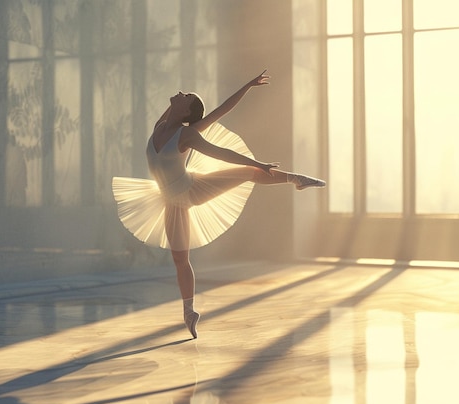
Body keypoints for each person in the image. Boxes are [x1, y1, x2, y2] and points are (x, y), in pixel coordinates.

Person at [112, 70, 325, 339]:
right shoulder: (160, 126)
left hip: (191, 190)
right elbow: (206, 111)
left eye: (185, 96)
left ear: (187, 110)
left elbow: (219, 140)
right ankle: (189, 312)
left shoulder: (187, 136)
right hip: (168, 199)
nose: (180, 93)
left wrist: (256, 161)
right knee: (180, 259)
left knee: (247, 173)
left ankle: (296, 179)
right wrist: (246, 84)